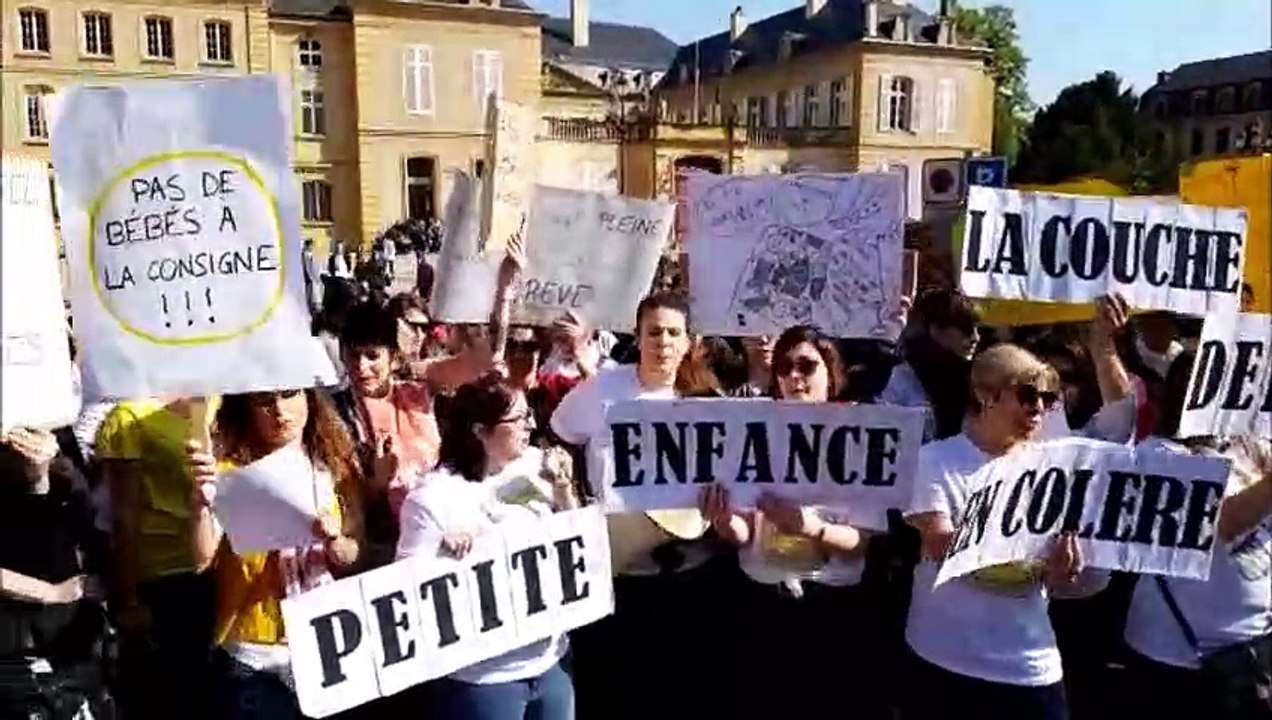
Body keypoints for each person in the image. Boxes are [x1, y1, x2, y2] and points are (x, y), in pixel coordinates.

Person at [904, 344, 1109, 719]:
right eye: (1028, 395)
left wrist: (1060, 571)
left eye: (1048, 400)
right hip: (943, 657)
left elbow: (1052, 576)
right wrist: (1027, 548)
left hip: (1028, 662)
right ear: (985, 394)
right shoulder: (936, 461)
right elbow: (939, 543)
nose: (1039, 410)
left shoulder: (1056, 471)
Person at [700, 325, 887, 717]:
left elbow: (862, 542)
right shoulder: (754, 430)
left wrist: (809, 527)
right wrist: (723, 522)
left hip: (829, 609)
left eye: (806, 366)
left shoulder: (859, 432)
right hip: (761, 603)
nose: (794, 377)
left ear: (831, 373)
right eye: (784, 367)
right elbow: (745, 530)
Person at [397, 375, 578, 719]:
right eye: (519, 419)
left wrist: (565, 489)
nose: (532, 426)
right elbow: (407, 591)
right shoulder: (432, 497)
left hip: (551, 660)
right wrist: (442, 554)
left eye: (529, 415)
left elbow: (576, 543)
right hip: (482, 680)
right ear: (480, 431)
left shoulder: (541, 465)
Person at [187, 388, 363, 720]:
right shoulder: (228, 473)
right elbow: (201, 559)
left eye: (289, 395)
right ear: (247, 409)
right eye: (265, 401)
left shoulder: (335, 466)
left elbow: (353, 551)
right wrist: (198, 504)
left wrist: (336, 542)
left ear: (310, 398)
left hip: (326, 646)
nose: (280, 410)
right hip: (256, 656)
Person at [1123, 350, 1272, 719]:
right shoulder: (1158, 456)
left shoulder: (1243, 445)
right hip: (1181, 661)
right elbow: (1223, 524)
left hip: (1255, 643)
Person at [96, 398, 218, 719]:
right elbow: (124, 514)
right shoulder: (129, 416)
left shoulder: (221, 399)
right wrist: (131, 600)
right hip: (164, 577)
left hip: (226, 569)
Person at [0, 428, 112, 719]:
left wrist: (45, 472)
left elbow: (84, 518)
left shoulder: (52, 430)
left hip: (68, 639)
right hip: (14, 643)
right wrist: (50, 592)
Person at [332, 302, 441, 567]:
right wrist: (378, 483)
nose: (361, 367)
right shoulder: (334, 412)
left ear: (392, 357)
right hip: (380, 550)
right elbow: (340, 501)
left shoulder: (417, 396)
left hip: (435, 529)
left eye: (372, 356)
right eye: (353, 355)